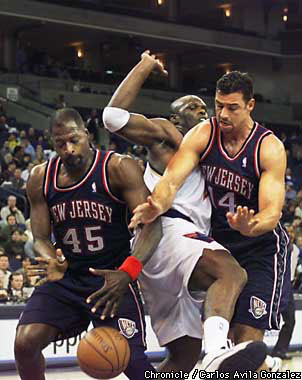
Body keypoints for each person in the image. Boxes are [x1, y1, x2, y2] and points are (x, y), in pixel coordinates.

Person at [102, 51, 267, 373]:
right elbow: (112, 117)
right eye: (194, 108)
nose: (204, 113)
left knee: (181, 359)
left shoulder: (210, 148)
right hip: (165, 231)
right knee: (230, 272)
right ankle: (217, 350)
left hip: (176, 252)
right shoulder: (167, 134)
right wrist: (145, 66)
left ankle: (209, 352)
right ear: (175, 119)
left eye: (205, 108)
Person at [129, 70, 290, 365]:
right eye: (219, 105)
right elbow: (172, 179)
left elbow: (272, 212)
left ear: (250, 106)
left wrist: (250, 224)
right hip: (217, 241)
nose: (223, 114)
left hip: (260, 248)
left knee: (245, 339)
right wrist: (157, 204)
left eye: (232, 107)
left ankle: (264, 365)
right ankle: (252, 363)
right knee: (230, 350)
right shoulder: (204, 133)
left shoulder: (269, 147)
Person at [14, 108, 162, 380]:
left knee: (136, 367)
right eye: (60, 143)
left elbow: (153, 226)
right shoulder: (40, 178)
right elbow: (42, 239)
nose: (68, 149)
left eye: (73, 140)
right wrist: (51, 260)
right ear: (52, 143)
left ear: (87, 135)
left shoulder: (118, 168)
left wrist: (127, 273)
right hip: (68, 278)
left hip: (112, 279)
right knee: (25, 343)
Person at [272, 225, 299, 360]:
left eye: (291, 232)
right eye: (287, 231)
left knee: (290, 321)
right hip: (275, 285)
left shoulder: (296, 249)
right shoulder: (276, 247)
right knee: (262, 319)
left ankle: (279, 351)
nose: (289, 234)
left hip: (288, 287)